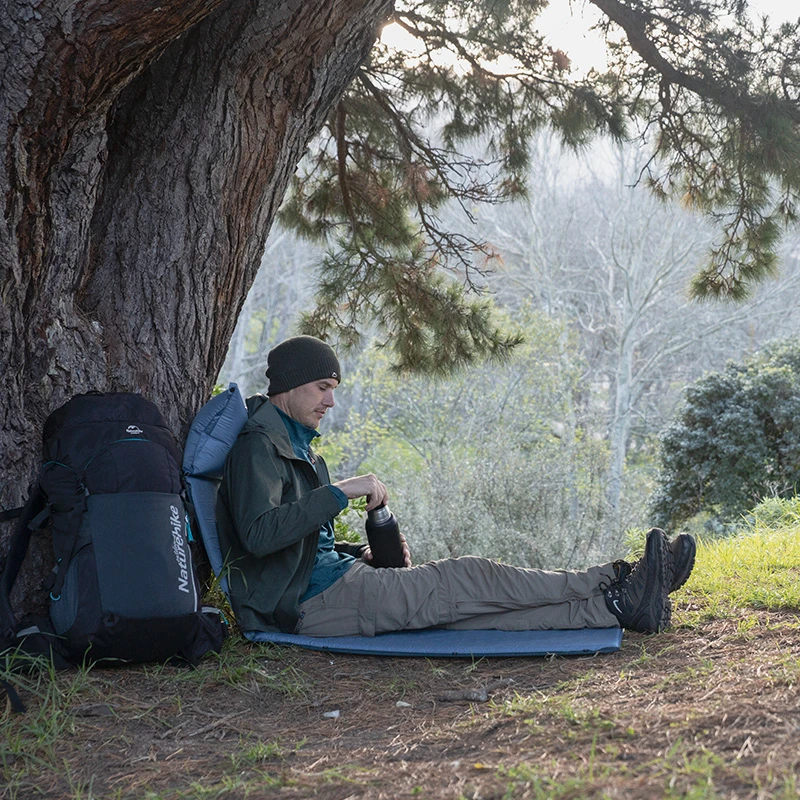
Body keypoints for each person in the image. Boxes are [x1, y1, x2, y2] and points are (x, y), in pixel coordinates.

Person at [216, 335, 696, 639]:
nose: (331, 400)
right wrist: (341, 490)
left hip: (332, 586)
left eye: (334, 387)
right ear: (291, 385)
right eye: (323, 386)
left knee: (477, 613)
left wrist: (354, 552)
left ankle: (619, 606)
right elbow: (259, 535)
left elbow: (301, 543)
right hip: (309, 606)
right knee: (470, 577)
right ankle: (612, 578)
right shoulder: (259, 446)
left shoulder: (300, 449)